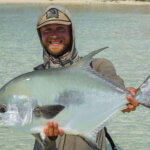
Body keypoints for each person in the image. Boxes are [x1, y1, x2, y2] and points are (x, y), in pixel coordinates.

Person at [33, 5, 138, 150]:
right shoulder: (35, 78)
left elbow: (112, 79)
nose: (54, 35)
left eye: (60, 29)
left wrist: (125, 97)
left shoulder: (97, 66)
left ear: (71, 32)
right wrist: (48, 139)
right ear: (40, 35)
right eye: (47, 30)